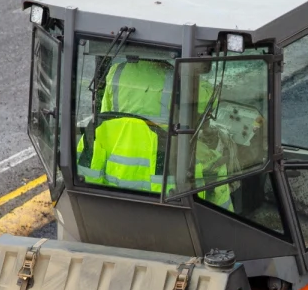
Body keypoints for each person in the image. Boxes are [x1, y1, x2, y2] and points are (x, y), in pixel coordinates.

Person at [77, 58, 233, 209]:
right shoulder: (181, 80)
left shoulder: (116, 71)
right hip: (164, 164)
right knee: (217, 164)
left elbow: (106, 115)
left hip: (115, 165)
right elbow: (207, 103)